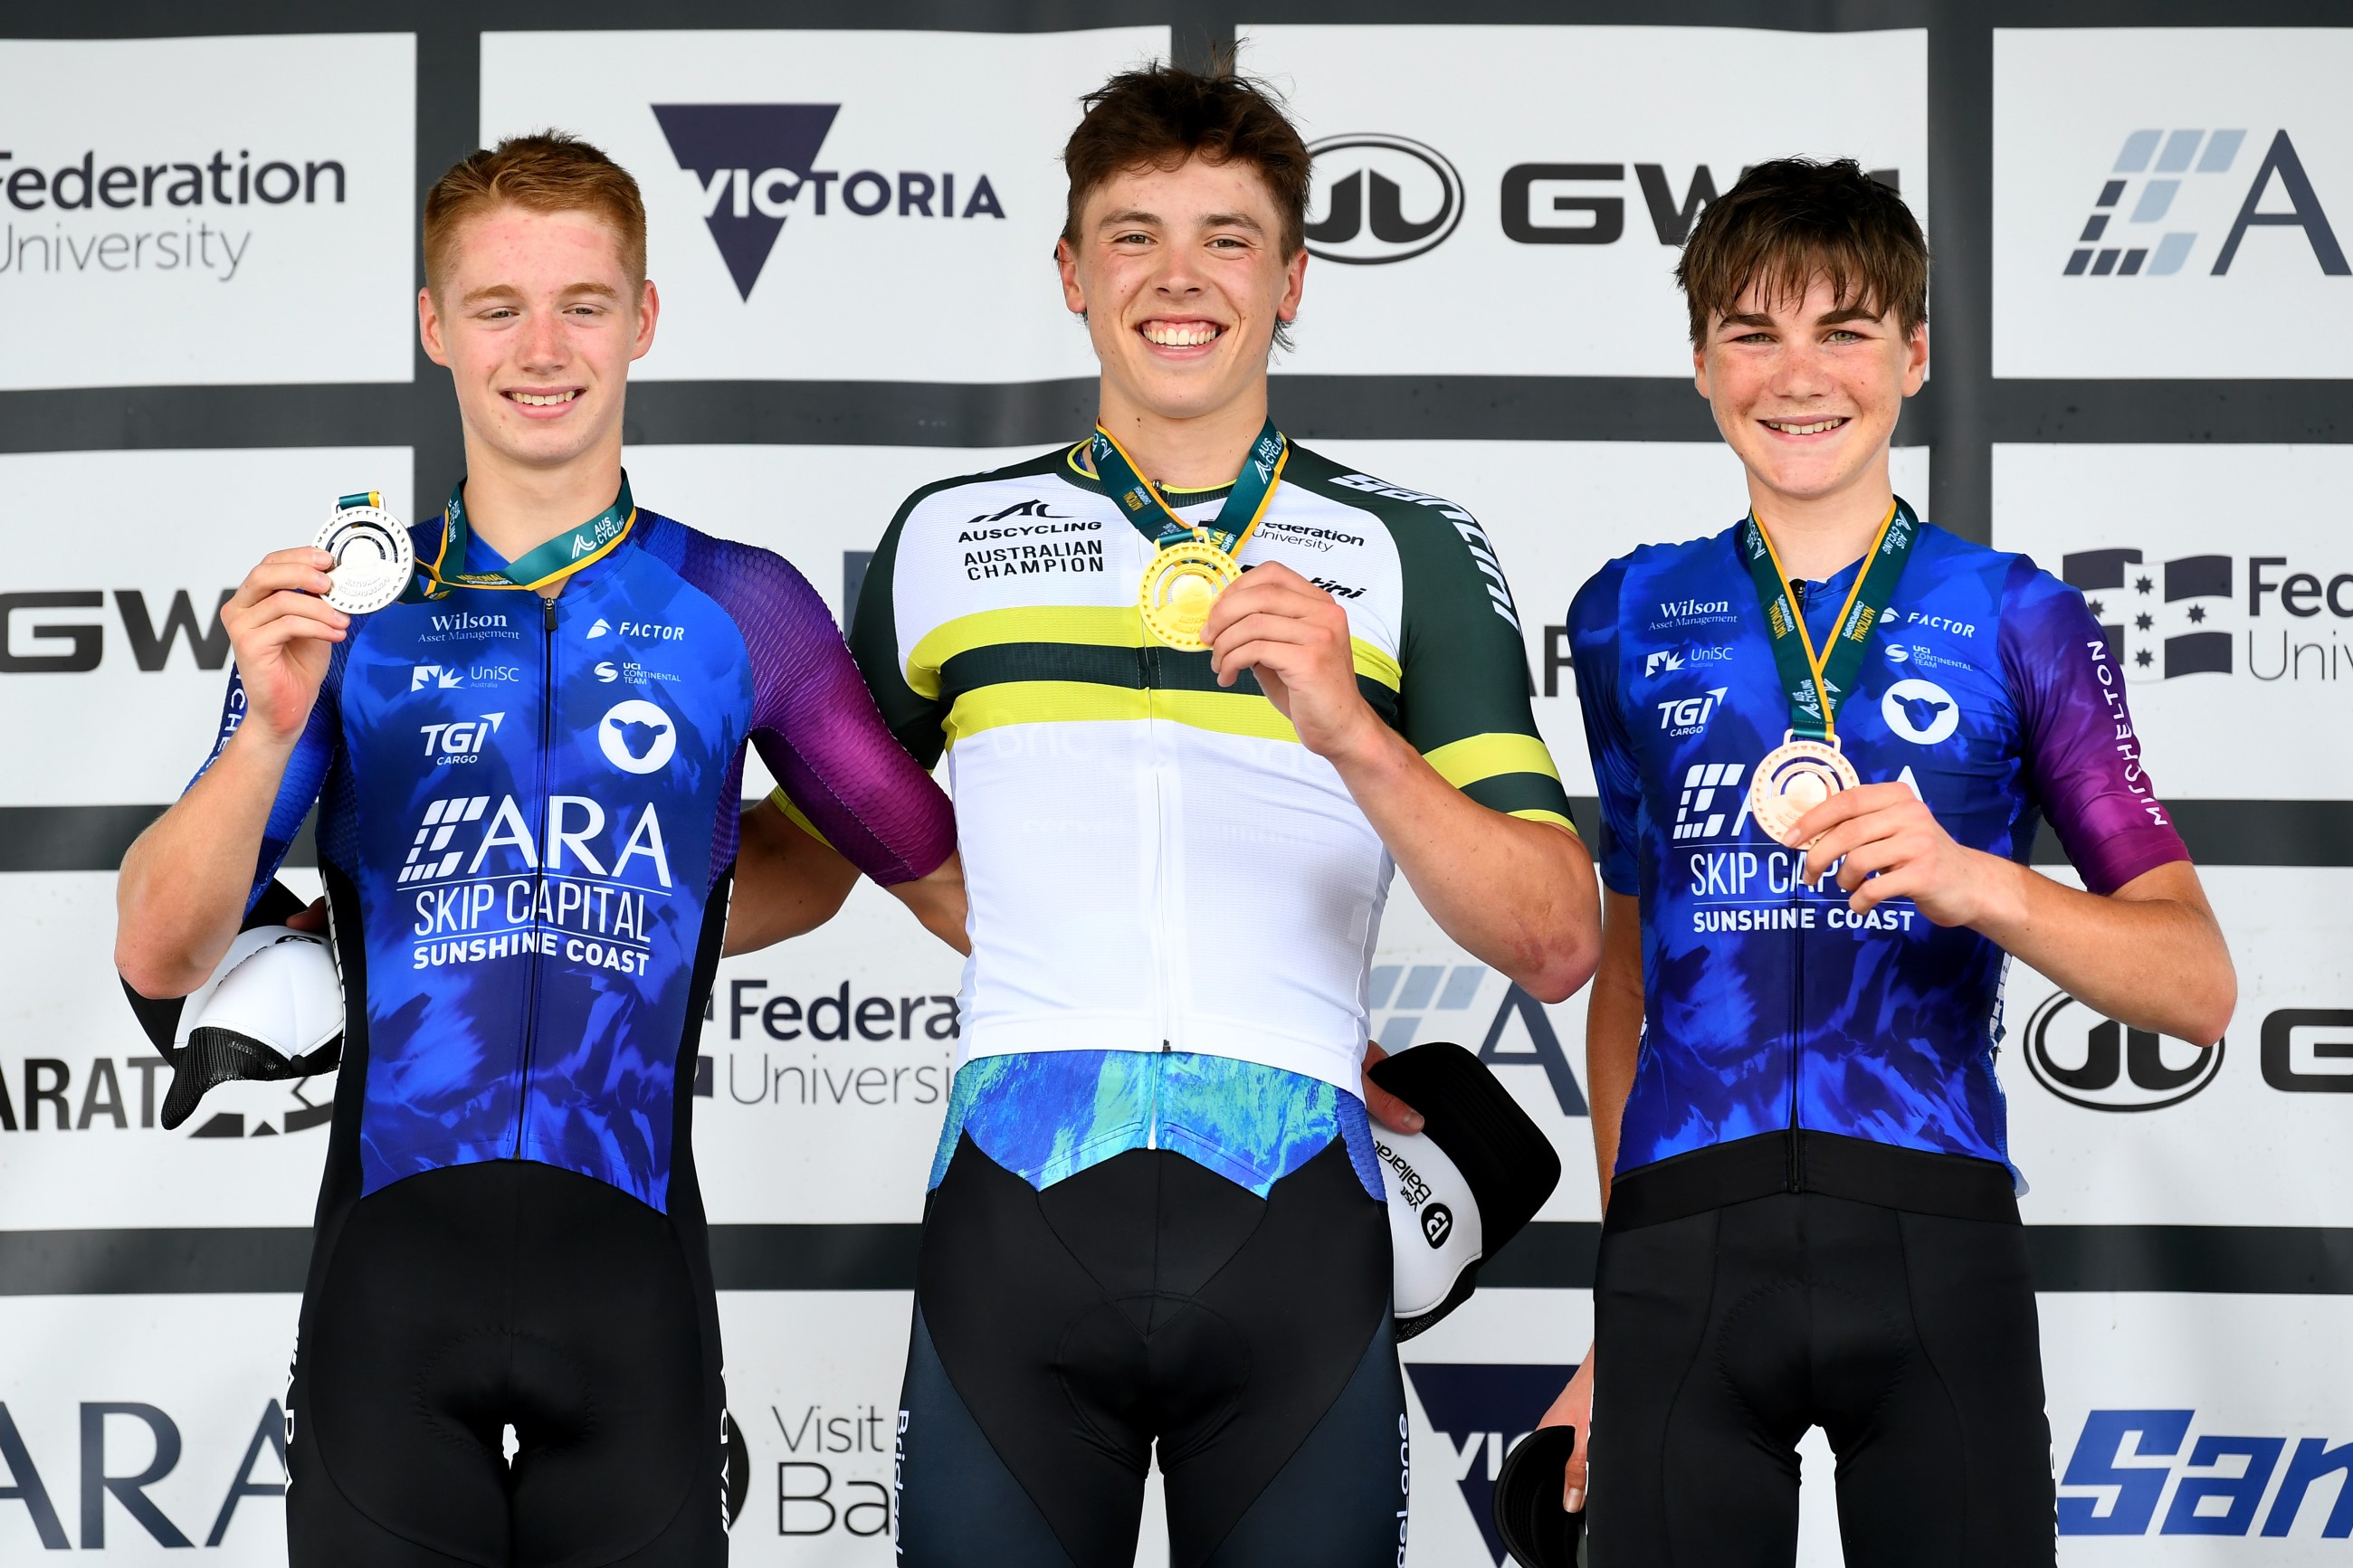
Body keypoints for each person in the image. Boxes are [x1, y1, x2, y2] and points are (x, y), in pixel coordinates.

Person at [113, 133, 960, 1567]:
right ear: (436, 327)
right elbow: (158, 947)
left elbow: (936, 874)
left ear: (644, 315)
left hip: (632, 1299)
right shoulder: (341, 616)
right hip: (389, 1304)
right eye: (498, 307)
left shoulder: (740, 606)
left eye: (583, 300)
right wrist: (264, 732)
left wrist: (1285, 1029)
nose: (543, 347)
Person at [809, 57, 1602, 1568]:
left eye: (1229, 237)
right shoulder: (944, 537)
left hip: (1294, 1217)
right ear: (1069, 270)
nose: (1181, 279)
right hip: (1015, 1214)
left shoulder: (1406, 550)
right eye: (1134, 233)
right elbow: (799, 855)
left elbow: (1556, 934)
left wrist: (1352, 732)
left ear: (1294, 274)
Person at [1540, 158, 2235, 1566]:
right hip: (1683, 1249)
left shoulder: (2020, 615)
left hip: (1936, 1242)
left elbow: (2199, 983)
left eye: (1845, 329)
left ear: (1914, 355)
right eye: (1754, 331)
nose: (1799, 376)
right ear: (1699, 362)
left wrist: (1978, 877)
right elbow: (1625, 975)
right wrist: (1618, 1306)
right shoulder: (1624, 612)